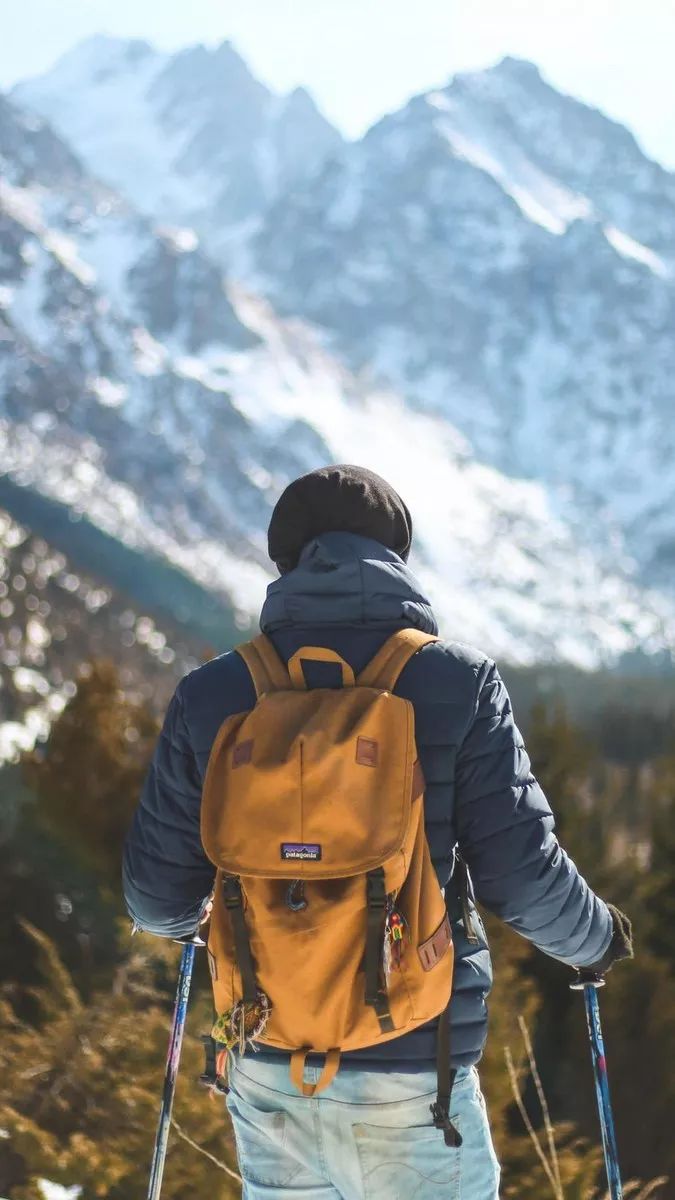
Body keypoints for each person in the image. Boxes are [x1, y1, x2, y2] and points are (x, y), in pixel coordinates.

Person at [123, 464, 633, 1200]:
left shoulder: (214, 694)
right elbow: (520, 874)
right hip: (412, 1067)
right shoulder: (457, 683)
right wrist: (594, 942)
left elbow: (154, 900)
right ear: (395, 556)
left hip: (268, 1063)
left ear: (286, 560)